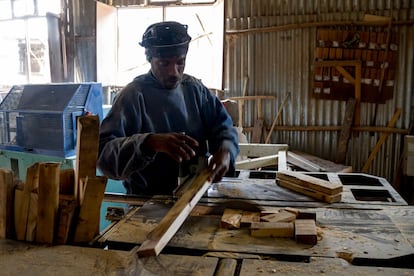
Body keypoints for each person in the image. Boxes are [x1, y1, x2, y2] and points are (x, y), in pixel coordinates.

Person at [97, 21, 239, 196]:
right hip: (145, 204)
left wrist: (226, 151)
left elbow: (223, 127)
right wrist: (148, 143)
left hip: (196, 197)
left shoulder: (195, 90)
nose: (174, 72)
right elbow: (104, 154)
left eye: (180, 62)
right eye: (164, 63)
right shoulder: (134, 95)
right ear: (150, 60)